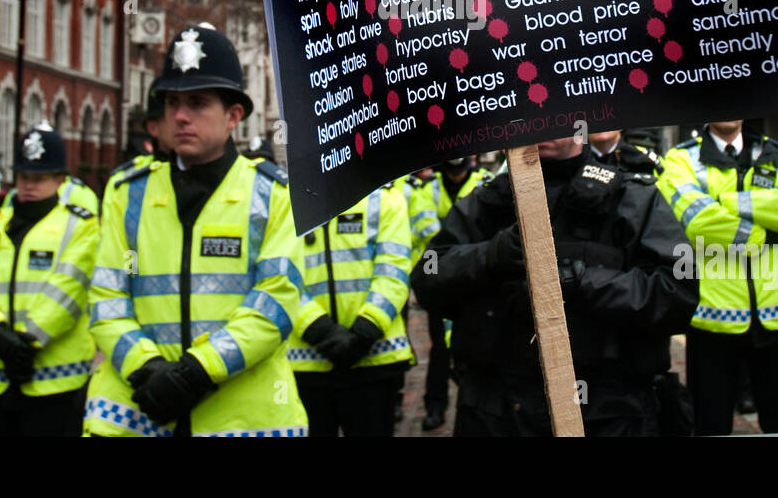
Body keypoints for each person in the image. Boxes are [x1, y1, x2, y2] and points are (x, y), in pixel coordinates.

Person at [86, 23, 308, 437]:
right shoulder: (125, 193)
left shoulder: (272, 194)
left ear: (233, 116)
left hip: (241, 420)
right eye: (172, 103)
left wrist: (196, 372)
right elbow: (106, 295)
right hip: (140, 413)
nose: (180, 116)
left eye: (198, 102)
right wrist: (146, 368)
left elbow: (275, 301)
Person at [411, 136, 696, 436]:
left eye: (549, 117)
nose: (538, 128)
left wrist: (580, 280)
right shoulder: (487, 200)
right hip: (497, 412)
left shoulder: (632, 197)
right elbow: (428, 277)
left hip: (607, 413)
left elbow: (676, 292)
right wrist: (490, 255)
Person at [657, 119, 778, 435]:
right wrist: (763, 235)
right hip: (714, 320)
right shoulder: (680, 158)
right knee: (711, 426)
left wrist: (726, 200)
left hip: (777, 319)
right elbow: (695, 220)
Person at [0, 126, 99, 436]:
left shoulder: (80, 226)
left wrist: (27, 341)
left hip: (52, 376)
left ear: (60, 179)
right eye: (23, 177)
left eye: (39, 178)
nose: (29, 185)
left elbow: (69, 288)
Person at [288, 184, 413, 436]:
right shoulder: (282, 200)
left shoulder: (384, 198)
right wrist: (319, 329)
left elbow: (394, 268)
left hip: (372, 357)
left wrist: (367, 328)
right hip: (307, 364)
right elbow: (277, 275)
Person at [416, 156, 491, 431]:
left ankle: (471, 398)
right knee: (439, 347)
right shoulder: (426, 189)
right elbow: (425, 236)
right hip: (441, 280)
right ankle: (435, 406)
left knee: (475, 342)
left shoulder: (485, 181)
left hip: (474, 280)